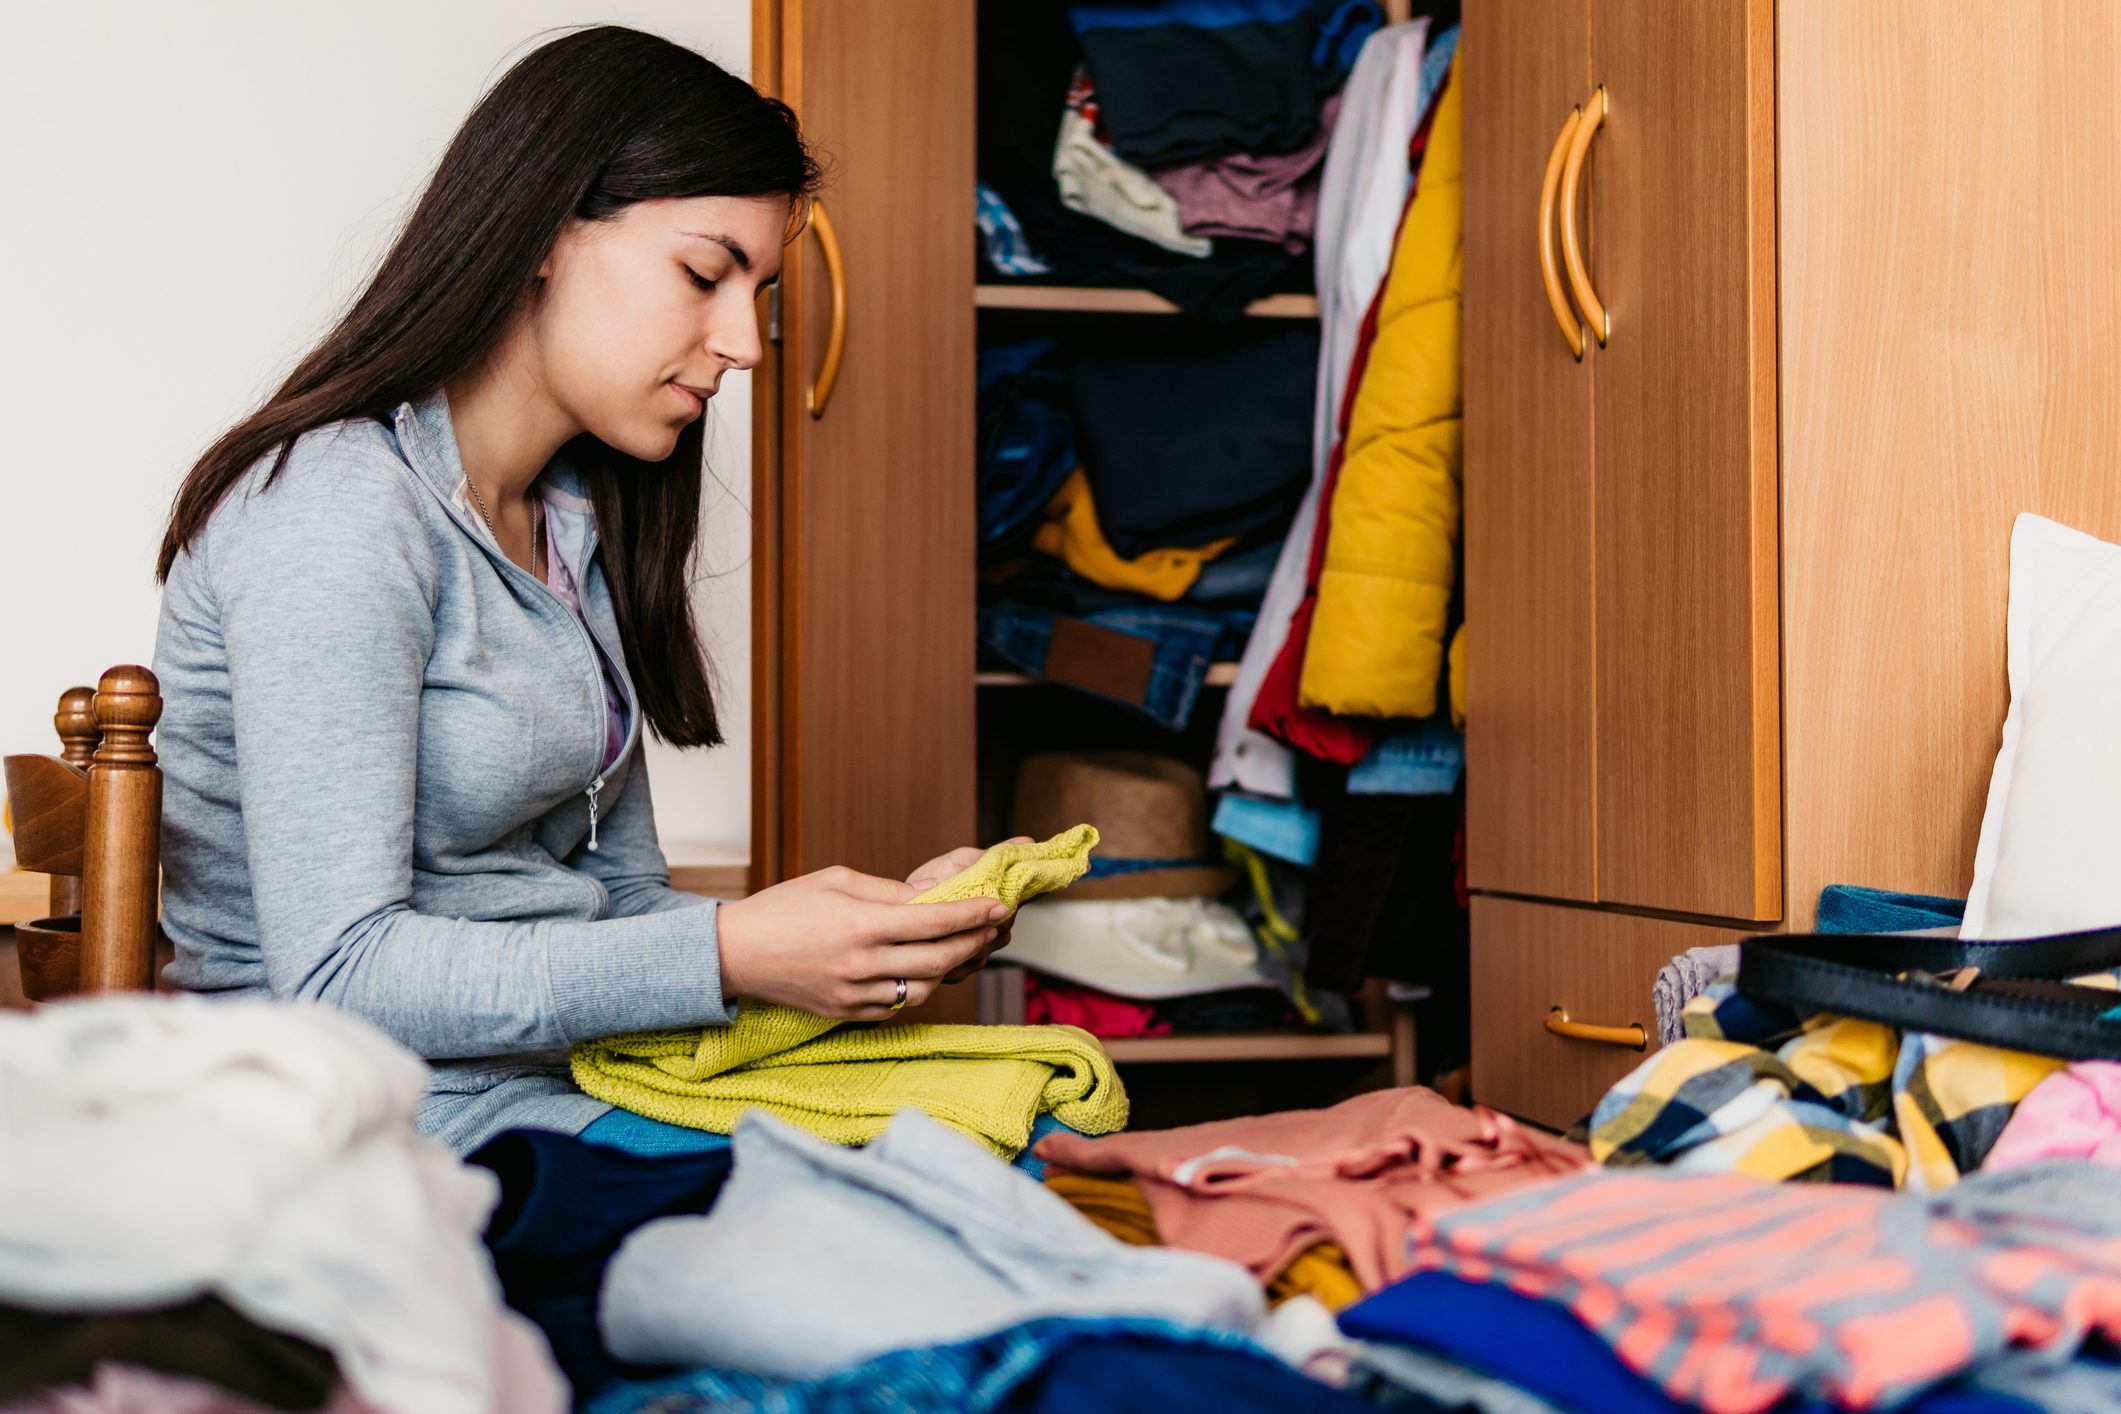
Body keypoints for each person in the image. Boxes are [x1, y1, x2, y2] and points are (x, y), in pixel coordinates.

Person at [150, 26, 1013, 1156]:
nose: (743, 344)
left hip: (553, 1089)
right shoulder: (337, 514)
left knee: (992, 1139)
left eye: (756, 291)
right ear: (546, 235)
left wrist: (864, 938)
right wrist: (730, 950)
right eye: (705, 274)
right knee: (919, 1206)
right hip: (362, 1131)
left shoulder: (571, 525)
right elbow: (341, 972)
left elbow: (615, 905)